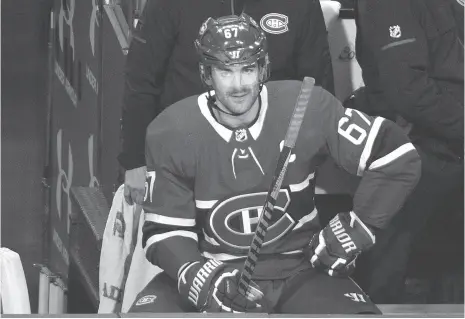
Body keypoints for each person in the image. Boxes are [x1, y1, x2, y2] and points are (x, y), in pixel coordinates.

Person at [127, 14, 421, 314]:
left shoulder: (307, 104)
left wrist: (357, 228)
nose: (238, 84)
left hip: (299, 269)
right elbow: (163, 231)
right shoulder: (171, 131)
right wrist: (200, 276)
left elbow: (397, 156)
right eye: (225, 71)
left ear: (263, 68)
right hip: (216, 268)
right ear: (206, 73)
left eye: (248, 69)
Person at [118, 0, 335, 205]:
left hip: (272, 165)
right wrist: (136, 161)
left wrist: (304, 159)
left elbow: (317, 86)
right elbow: (141, 81)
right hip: (187, 161)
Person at [345, 0, 464, 303]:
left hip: (453, 150)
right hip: (412, 153)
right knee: (385, 286)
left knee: (451, 281)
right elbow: (408, 91)